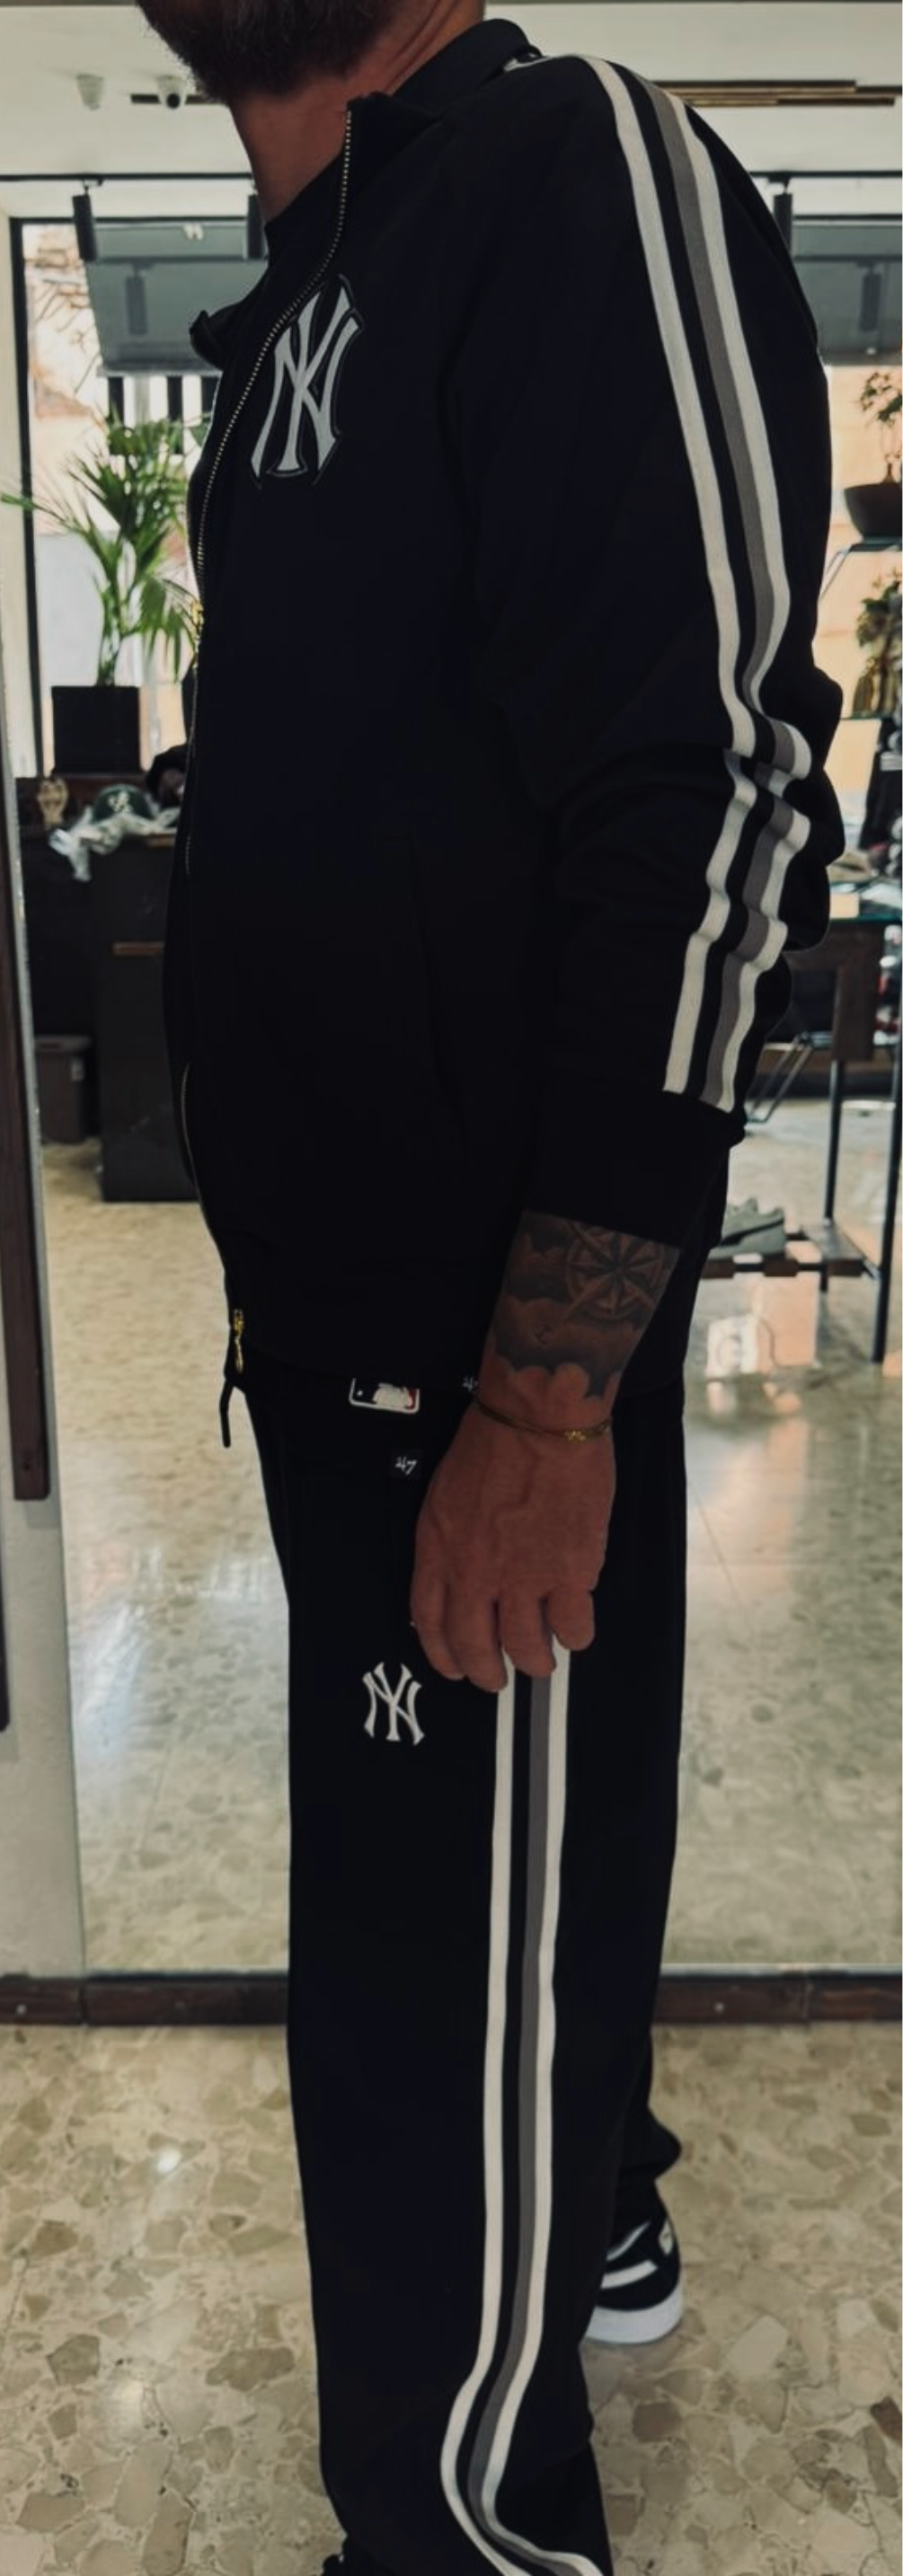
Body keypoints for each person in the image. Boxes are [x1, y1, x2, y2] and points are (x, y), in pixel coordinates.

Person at [139, 4, 845, 2569]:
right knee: (488, 1913)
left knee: (417, 2011)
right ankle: (603, 2199)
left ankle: (468, 2532)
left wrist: (543, 1409)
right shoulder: (303, 286)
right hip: (338, 1335)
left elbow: (716, 796)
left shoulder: (562, 168)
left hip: (474, 1359)